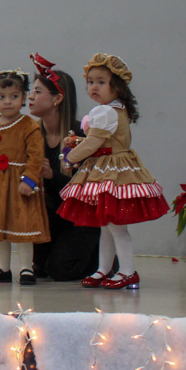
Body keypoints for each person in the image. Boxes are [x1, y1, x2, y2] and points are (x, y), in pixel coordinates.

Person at [59, 54, 168, 289]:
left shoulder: (106, 112)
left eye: (101, 82)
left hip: (112, 172)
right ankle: (104, 269)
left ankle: (127, 271)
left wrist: (71, 156)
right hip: (107, 167)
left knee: (116, 227)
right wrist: (78, 141)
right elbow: (101, 141)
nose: (94, 87)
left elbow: (94, 143)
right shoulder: (113, 109)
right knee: (106, 226)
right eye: (90, 82)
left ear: (116, 86)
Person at [28, 54, 101, 281]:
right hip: (50, 216)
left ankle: (100, 257)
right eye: (32, 91)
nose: (30, 96)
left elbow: (88, 192)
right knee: (40, 270)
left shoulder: (80, 136)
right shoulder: (31, 135)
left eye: (38, 91)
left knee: (61, 271)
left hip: (79, 220)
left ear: (57, 98)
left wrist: (52, 176)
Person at [0, 70, 49, 284]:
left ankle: (27, 268)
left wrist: (29, 180)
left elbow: (36, 156)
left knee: (22, 225)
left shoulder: (29, 125)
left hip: (19, 183)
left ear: (23, 98)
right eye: (1, 97)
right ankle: (2, 268)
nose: (8, 101)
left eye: (14, 96)